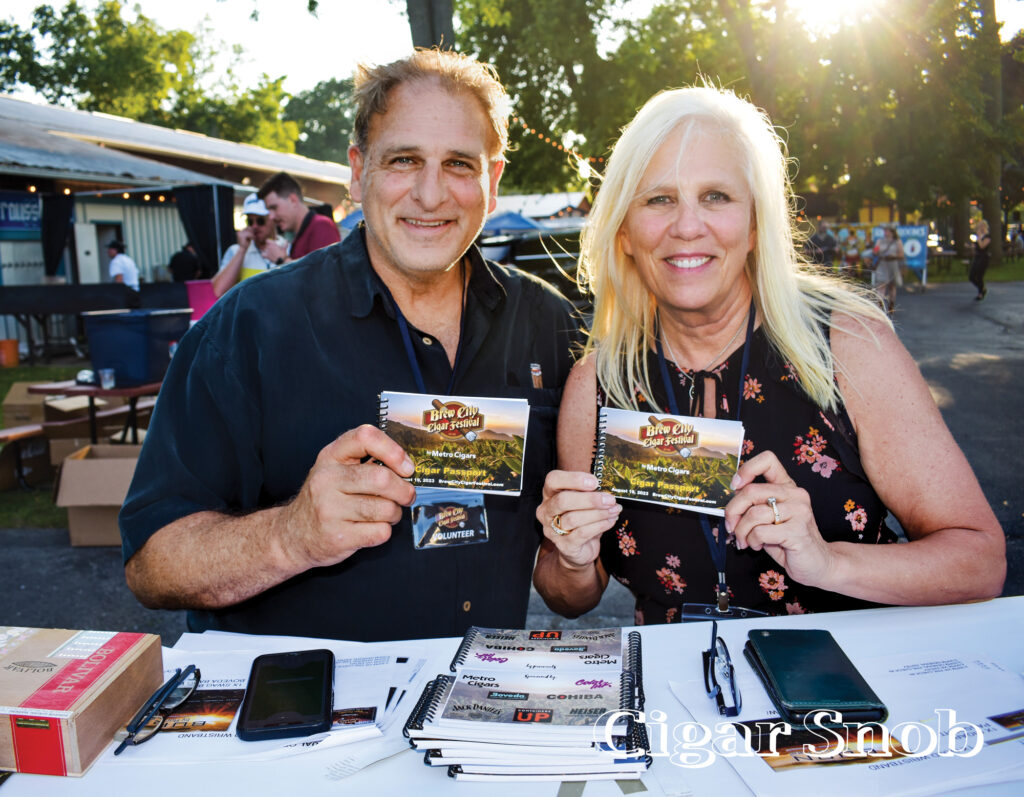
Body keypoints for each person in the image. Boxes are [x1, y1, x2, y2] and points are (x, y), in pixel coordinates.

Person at [119, 50, 579, 642]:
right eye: (404, 160)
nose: (431, 194)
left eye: (459, 164)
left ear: (491, 183)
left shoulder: (550, 325)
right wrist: (291, 536)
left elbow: (569, 575)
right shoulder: (250, 328)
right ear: (358, 173)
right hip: (301, 721)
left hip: (474, 711)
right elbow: (151, 564)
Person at [532, 86, 1004, 625]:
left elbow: (980, 561)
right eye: (658, 198)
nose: (688, 226)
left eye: (716, 196)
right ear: (624, 234)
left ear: (757, 225)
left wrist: (827, 563)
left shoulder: (843, 345)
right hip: (678, 695)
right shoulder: (599, 382)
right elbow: (568, 597)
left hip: (842, 686)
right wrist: (570, 555)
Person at [210, 194, 287, 298]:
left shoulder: (288, 249)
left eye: (260, 221)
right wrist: (242, 249)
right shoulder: (235, 251)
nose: (254, 226)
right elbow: (217, 292)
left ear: (272, 219)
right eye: (250, 221)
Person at [258, 172, 341, 264]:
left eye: (274, 208)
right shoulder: (304, 231)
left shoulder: (322, 225)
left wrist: (282, 260)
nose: (271, 216)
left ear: (293, 200)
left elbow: (324, 274)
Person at [871, 225, 903, 316]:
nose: (886, 232)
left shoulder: (897, 242)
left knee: (892, 286)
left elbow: (901, 255)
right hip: (883, 264)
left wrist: (894, 256)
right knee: (881, 285)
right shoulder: (880, 241)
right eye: (885, 231)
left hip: (892, 265)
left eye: (887, 231)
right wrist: (875, 251)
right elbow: (876, 250)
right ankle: (879, 307)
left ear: (892, 232)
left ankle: (891, 305)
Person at [969, 220, 991, 301]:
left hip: (984, 257)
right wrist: (971, 246)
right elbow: (977, 246)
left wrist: (978, 237)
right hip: (977, 257)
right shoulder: (980, 236)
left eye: (982, 226)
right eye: (979, 226)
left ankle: (980, 293)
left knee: (979, 276)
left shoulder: (987, 236)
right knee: (971, 276)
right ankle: (982, 289)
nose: (980, 228)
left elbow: (982, 246)